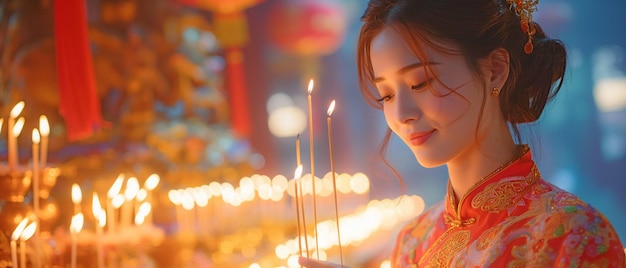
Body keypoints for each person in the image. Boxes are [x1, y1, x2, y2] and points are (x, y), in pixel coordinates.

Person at [300, 0, 626, 267]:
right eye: (386, 95)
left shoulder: (571, 236)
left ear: (495, 69)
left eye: (420, 82)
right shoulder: (413, 241)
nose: (401, 114)